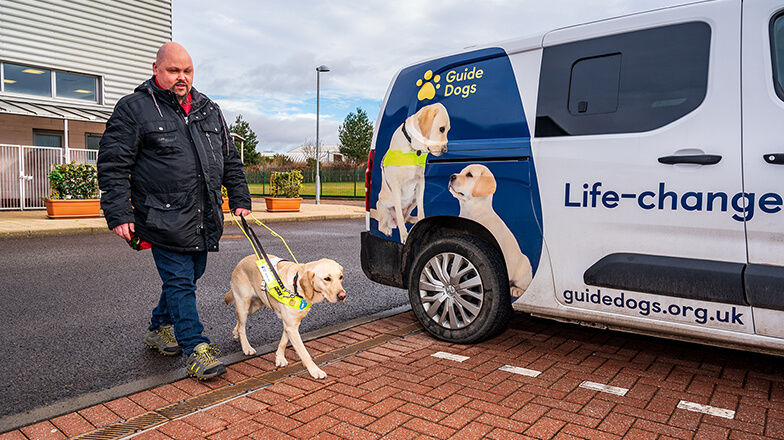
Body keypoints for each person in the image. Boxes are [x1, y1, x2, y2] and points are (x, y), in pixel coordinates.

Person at [97, 42, 251, 380]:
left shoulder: (209, 109)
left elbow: (229, 160)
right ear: (156, 69)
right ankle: (197, 348)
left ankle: (158, 327)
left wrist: (240, 197)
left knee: (190, 275)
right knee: (181, 282)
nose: (182, 77)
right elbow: (113, 164)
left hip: (204, 216)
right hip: (160, 216)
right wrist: (119, 212)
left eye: (187, 71)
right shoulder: (134, 108)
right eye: (173, 70)